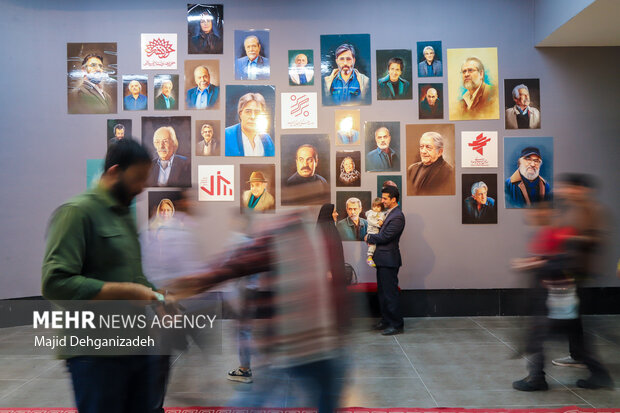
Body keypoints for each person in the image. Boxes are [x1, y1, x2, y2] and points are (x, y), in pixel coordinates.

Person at [41, 139, 169, 413]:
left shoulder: (122, 214)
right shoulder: (76, 213)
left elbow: (134, 277)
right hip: (95, 354)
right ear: (114, 172)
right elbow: (56, 283)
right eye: (137, 179)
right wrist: (126, 292)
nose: (143, 187)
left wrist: (158, 297)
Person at [547, 174, 612, 387]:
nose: (565, 191)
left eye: (569, 188)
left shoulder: (594, 210)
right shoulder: (571, 209)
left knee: (575, 320)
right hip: (570, 271)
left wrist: (569, 238)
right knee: (573, 320)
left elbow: (596, 239)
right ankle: (578, 356)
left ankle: (594, 368)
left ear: (581, 189)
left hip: (583, 272)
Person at [365, 186, 405, 335]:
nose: (382, 201)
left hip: (389, 260)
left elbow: (385, 236)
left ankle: (396, 324)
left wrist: (368, 237)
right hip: (383, 259)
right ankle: (386, 321)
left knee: (390, 293)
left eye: (385, 198)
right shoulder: (389, 214)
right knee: (383, 293)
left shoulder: (398, 216)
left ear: (393, 199)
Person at [407, 131, 455, 195]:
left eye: (428, 147)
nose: (423, 151)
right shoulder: (412, 169)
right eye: (421, 147)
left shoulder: (449, 172)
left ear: (440, 152)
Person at [365, 198, 386, 267]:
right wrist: (377, 223)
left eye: (378, 206)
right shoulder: (370, 213)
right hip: (371, 232)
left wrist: (380, 221)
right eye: (374, 206)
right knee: (373, 245)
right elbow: (370, 220)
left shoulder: (381, 214)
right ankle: (369, 258)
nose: (376, 208)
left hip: (376, 232)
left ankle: (371, 257)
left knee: (374, 245)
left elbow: (381, 220)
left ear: (381, 207)